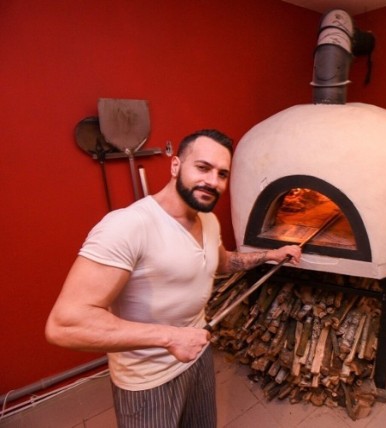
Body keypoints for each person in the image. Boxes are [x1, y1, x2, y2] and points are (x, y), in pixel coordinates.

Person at [45, 129, 301, 427]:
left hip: (197, 354)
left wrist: (270, 255)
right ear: (176, 166)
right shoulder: (128, 226)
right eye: (202, 168)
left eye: (222, 174)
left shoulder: (208, 219)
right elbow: (65, 325)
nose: (212, 181)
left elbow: (222, 262)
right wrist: (169, 337)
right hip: (147, 379)